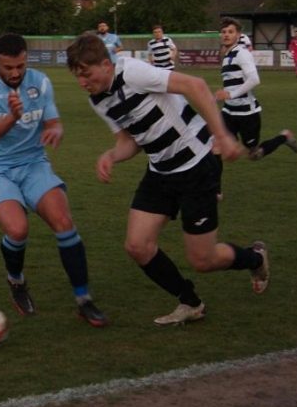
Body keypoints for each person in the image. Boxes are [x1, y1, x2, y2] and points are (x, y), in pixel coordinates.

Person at [65, 32, 269, 326]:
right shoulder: (98, 101)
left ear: (106, 64)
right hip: (160, 171)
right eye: (77, 76)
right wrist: (111, 155)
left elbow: (194, 85)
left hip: (196, 166)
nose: (83, 82)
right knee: (137, 246)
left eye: (87, 73)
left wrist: (222, 135)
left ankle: (255, 259)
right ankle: (190, 302)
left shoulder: (132, 72)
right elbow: (130, 142)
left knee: (203, 260)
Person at [0, 33, 108, 327]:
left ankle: (84, 301)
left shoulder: (40, 81)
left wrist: (56, 130)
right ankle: (16, 281)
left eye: (20, 65)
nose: (15, 73)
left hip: (33, 163)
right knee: (17, 230)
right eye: (8, 68)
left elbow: (53, 121)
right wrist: (12, 116)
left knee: (64, 222)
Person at [215, 18, 297, 197]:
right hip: (229, 111)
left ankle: (284, 137)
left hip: (247, 113)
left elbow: (254, 80)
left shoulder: (241, 53)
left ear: (238, 35)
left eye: (230, 32)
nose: (226, 35)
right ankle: (216, 191)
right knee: (216, 147)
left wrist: (230, 94)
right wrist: (225, 95)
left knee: (254, 154)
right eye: (223, 32)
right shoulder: (227, 55)